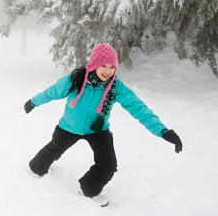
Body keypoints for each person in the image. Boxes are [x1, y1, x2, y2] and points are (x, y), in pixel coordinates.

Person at [23, 43, 182, 199]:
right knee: (53, 149)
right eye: (103, 66)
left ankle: (87, 190)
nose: (108, 71)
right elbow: (52, 92)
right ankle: (35, 170)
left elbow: (138, 108)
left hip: (98, 130)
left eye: (112, 67)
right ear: (94, 64)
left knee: (108, 165)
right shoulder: (76, 79)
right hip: (69, 127)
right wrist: (34, 102)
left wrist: (163, 131)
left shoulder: (116, 87)